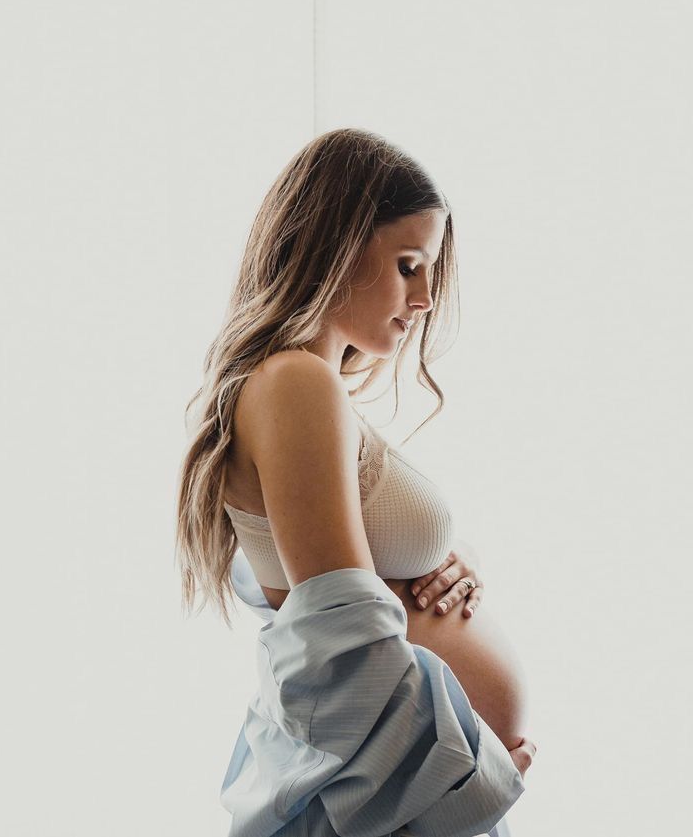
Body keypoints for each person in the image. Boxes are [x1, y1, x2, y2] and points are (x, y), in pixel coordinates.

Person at [175, 127, 537, 836]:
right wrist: (472, 779)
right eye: (408, 264)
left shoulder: (299, 388)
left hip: (401, 790)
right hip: (400, 796)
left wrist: (450, 559)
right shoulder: (294, 382)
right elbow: (345, 641)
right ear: (335, 245)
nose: (425, 297)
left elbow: (355, 580)